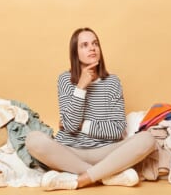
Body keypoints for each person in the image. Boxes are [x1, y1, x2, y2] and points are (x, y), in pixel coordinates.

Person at [25, 27, 156, 190]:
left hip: (107, 151)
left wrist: (82, 125)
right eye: (84, 45)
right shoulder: (65, 80)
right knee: (33, 140)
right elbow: (70, 127)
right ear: (75, 52)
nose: (92, 48)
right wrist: (81, 87)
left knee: (147, 139)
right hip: (70, 151)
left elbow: (116, 130)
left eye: (95, 43)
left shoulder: (112, 82)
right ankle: (105, 175)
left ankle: (82, 179)